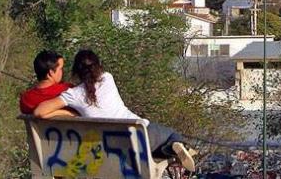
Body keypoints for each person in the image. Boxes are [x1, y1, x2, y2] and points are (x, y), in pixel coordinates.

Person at [34, 49, 196, 172]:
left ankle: (175, 148)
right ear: (98, 67)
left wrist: (68, 113)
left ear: (76, 71)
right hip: (139, 134)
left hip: (110, 148)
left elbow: (39, 112)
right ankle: (177, 145)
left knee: (158, 143)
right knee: (171, 135)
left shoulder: (73, 95)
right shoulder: (107, 78)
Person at [19, 50, 75, 117]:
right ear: (51, 73)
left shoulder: (25, 99)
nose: (62, 72)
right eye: (60, 69)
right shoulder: (69, 91)